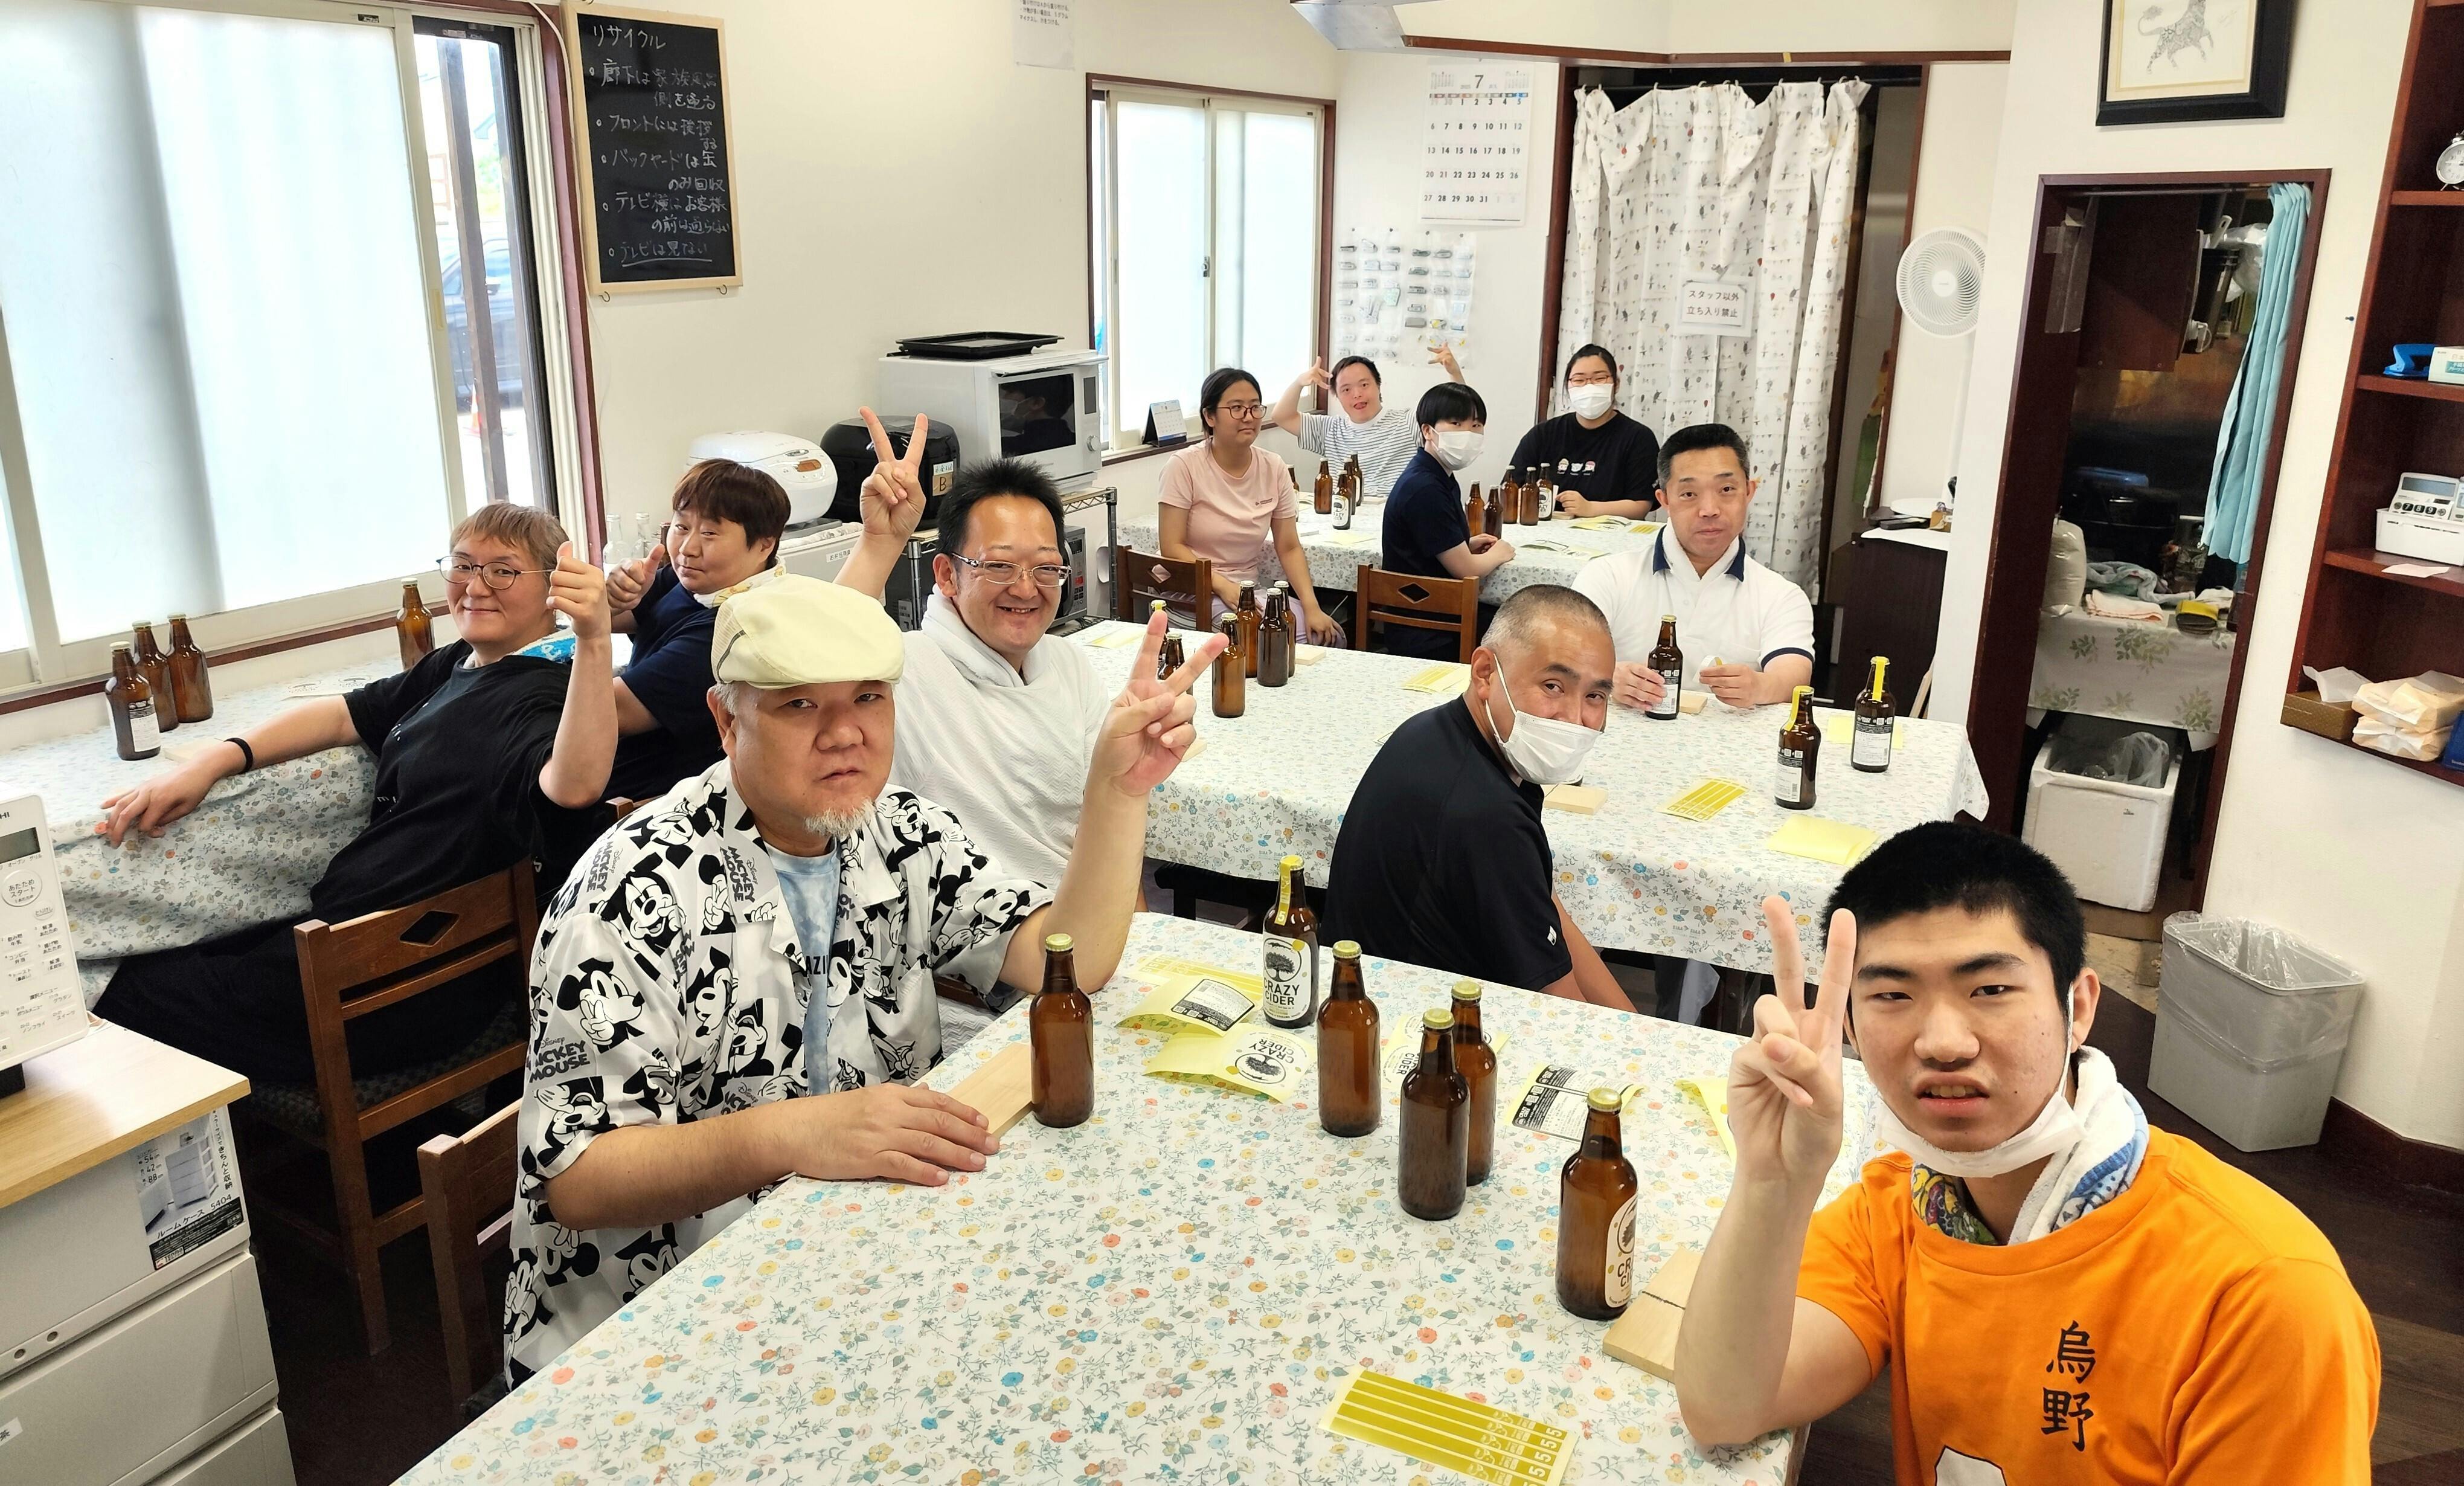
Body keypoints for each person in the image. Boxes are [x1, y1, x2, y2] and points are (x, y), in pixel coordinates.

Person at [501, 578, 1219, 1377]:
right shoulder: (632, 890)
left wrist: (1117, 790)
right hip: (653, 1327)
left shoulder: (899, 831)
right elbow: (582, 1177)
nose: (845, 734)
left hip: (857, 1254)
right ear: (726, 720)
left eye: (869, 699)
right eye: (800, 705)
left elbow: (1067, 960)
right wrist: (798, 1132)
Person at [1676, 824, 2378, 1482]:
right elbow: (1725, 1408)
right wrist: (1774, 1181)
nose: (1943, 1042)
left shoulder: (2264, 1294)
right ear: (1851, 1030)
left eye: (1990, 989)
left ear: (2080, 1008)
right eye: (1892, 995)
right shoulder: (1902, 1208)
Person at [92, 504, 615, 1084]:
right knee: (174, 953)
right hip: (364, 949)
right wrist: (216, 758)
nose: (475, 587)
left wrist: (595, 637)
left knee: (116, 989)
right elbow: (346, 714)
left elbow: (575, 786)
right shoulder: (461, 663)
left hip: (396, 989)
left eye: (503, 571)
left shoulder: (544, 692)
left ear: (555, 590)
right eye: (464, 565)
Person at [836, 412, 1109, 1012]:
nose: (1026, 587)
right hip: (986, 986)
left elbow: (1102, 821)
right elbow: (825, 662)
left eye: (1046, 567)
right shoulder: (906, 669)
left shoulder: (1068, 664)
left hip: (1091, 940)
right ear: (947, 574)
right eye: (999, 566)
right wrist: (879, 543)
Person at [1324, 585, 1627, 1009]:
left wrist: (1631, 1019)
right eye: (1553, 686)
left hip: (1361, 990)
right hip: (1419, 1022)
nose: (1575, 719)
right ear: (1485, 672)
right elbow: (1559, 1005)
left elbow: (1544, 906)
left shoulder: (1435, 732)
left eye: (1595, 696)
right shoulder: (1487, 815)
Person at [1573, 423, 1812, 711]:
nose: (1709, 510)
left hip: (1726, 738)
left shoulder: (1782, 596)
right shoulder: (1607, 576)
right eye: (1689, 494)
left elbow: (1794, 676)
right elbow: (1564, 658)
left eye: (1726, 489)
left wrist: (1760, 686)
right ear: (1664, 500)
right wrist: (1608, 677)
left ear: (1749, 491)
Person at [600, 457, 791, 800]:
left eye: (709, 533)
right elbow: (616, 616)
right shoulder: (698, 580)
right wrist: (616, 594)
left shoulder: (734, 629)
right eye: (682, 527)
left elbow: (608, 713)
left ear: (765, 544)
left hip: (656, 797)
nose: (688, 549)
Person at [1157, 366, 1341, 642]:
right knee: (1276, 641)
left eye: (1255, 408)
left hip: (1248, 590)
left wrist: (1312, 606)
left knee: (1330, 636)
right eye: (1236, 408)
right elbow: (1172, 547)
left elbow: (1289, 546)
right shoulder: (1183, 466)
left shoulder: (1273, 467)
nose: (1248, 417)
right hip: (1192, 592)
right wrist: (1222, 586)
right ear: (1210, 416)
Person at [1373, 381, 1514, 660]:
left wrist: (1464, 545)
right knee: (1518, 629)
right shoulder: (1425, 488)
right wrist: (1499, 553)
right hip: (1427, 627)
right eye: (1456, 424)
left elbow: (1427, 543)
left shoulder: (1437, 474)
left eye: (1476, 426)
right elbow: (1467, 570)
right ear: (1428, 430)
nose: (1468, 434)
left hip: (1431, 612)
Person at [1268, 346, 1466, 503]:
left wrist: (1454, 373)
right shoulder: (1329, 429)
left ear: (1378, 386)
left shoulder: (1408, 422)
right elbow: (1282, 416)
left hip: (1397, 515)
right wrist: (1299, 383)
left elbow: (1456, 415)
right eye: (1346, 390)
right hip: (1346, 517)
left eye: (1364, 385)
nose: (1357, 394)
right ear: (1337, 397)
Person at [1511, 344, 1659, 518]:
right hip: (1547, 529)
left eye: (1599, 378)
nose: (1589, 387)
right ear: (1568, 386)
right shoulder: (1543, 434)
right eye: (1579, 380)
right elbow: (1511, 490)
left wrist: (1591, 509)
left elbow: (1641, 505)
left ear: (1616, 384)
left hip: (1610, 532)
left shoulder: (1638, 438)